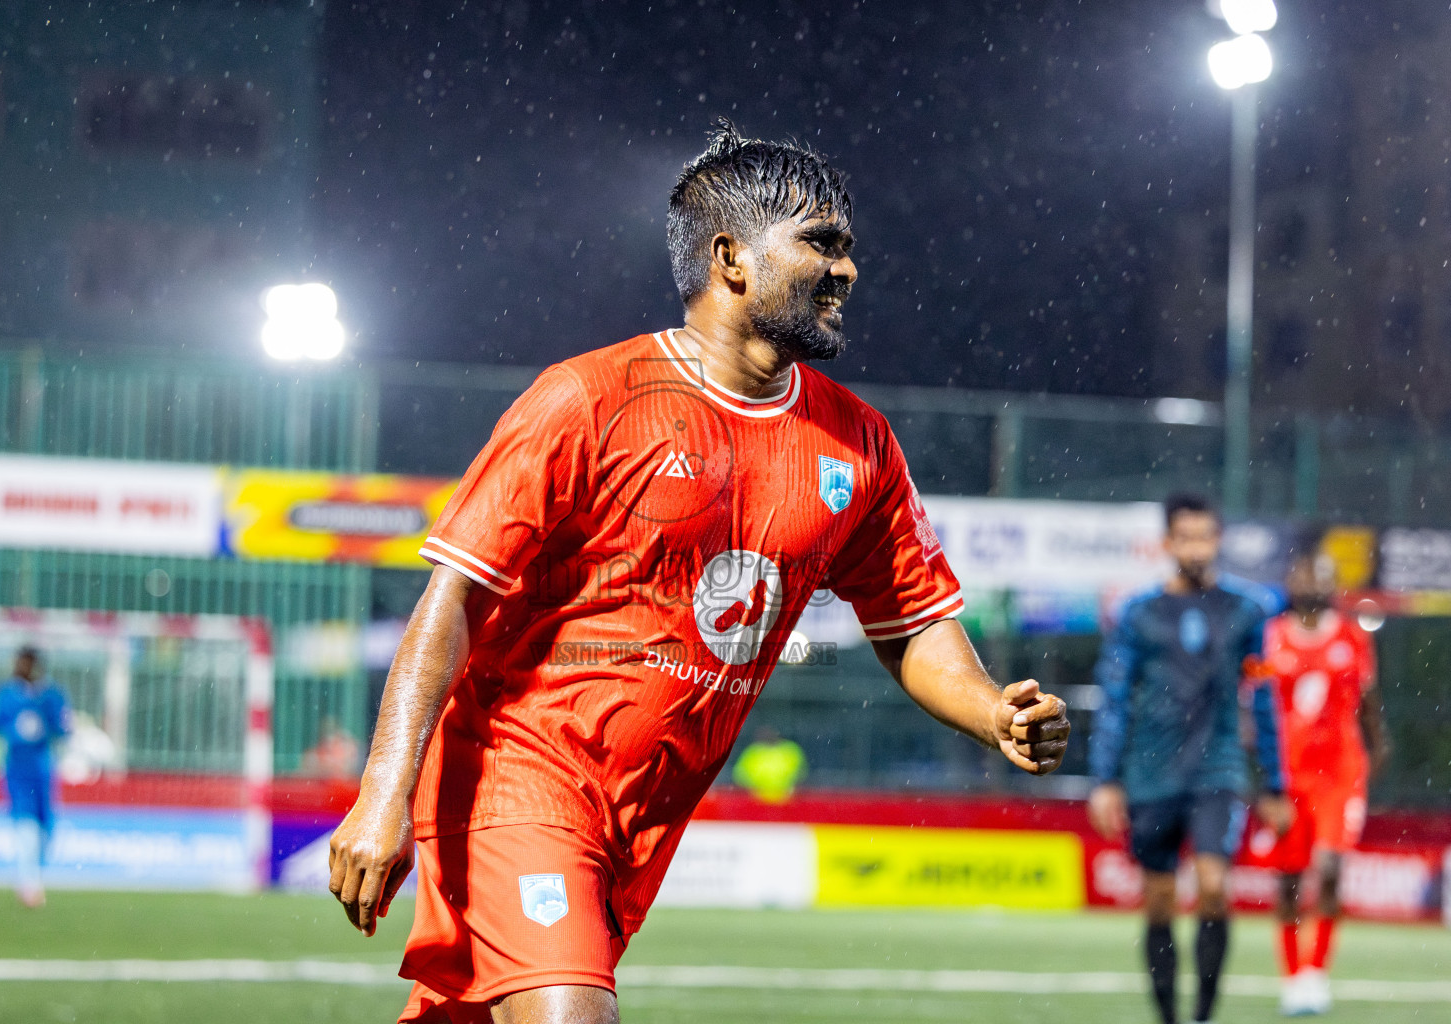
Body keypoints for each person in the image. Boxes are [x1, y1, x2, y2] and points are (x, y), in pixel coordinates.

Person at [328, 122, 1072, 1024]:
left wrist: (991, 709)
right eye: (821, 243)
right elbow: (451, 601)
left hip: (643, 821)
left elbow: (911, 622)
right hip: (515, 776)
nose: (847, 271)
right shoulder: (586, 400)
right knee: (570, 1014)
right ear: (732, 259)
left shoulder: (859, 444)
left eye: (848, 247)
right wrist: (382, 796)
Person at [1087, 492, 1292, 1024]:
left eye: (1206, 537)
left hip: (1218, 768)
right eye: (1187, 538)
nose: (1197, 548)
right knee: (1158, 901)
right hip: (1151, 771)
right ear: (1168, 544)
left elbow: (1263, 698)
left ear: (1218, 540)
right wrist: (1105, 779)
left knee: (1214, 886)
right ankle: (1169, 1018)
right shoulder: (1137, 614)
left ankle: (1202, 1015)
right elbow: (1114, 698)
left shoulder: (1248, 611)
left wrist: (1273, 783)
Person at [1254, 531, 1388, 1016]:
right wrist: (1261, 779)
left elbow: (1368, 701)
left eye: (1320, 574)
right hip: (1288, 779)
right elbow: (1254, 714)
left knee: (1329, 871)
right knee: (1288, 882)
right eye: (1303, 572)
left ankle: (1316, 973)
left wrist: (1380, 742)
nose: (1311, 581)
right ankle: (1292, 978)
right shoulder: (1269, 639)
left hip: (1340, 773)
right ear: (1290, 580)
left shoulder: (1352, 636)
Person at [0, 645, 71, 908]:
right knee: (25, 826)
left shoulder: (51, 695)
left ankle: (33, 876)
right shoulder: (5, 694)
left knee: (46, 831)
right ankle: (28, 884)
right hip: (16, 770)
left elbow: (63, 728)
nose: (21, 668)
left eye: (26, 663)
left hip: (42, 770)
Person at [731, 726, 806, 804]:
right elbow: (740, 775)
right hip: (756, 802)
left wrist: (792, 791)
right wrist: (753, 791)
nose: (767, 734)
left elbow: (801, 774)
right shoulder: (752, 751)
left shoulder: (791, 749)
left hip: (787, 801)